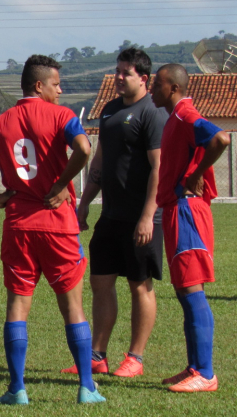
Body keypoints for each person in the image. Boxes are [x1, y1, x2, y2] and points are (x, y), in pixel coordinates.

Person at [0, 54, 104, 405]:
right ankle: (86, 388)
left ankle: (17, 389)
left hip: (19, 224)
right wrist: (62, 183)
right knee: (72, 307)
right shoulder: (63, 116)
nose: (60, 90)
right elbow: (84, 147)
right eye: (56, 84)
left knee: (18, 306)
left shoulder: (0, 123)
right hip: (58, 224)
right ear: (39, 85)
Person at [63, 48, 166, 378]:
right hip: (111, 216)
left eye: (126, 73)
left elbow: (158, 168)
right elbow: (100, 162)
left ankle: (135, 357)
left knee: (140, 285)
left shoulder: (152, 113)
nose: (119, 77)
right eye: (118, 71)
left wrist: (148, 216)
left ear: (143, 79)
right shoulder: (108, 111)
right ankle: (97, 355)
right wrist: (84, 204)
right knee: (100, 282)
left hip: (141, 218)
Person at [150, 63, 230, 393]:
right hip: (175, 210)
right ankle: (195, 367)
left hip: (187, 211)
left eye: (156, 84)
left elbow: (220, 138)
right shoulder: (175, 119)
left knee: (192, 289)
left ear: (173, 88)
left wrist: (197, 175)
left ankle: (207, 373)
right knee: (184, 291)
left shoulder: (184, 115)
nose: (152, 89)